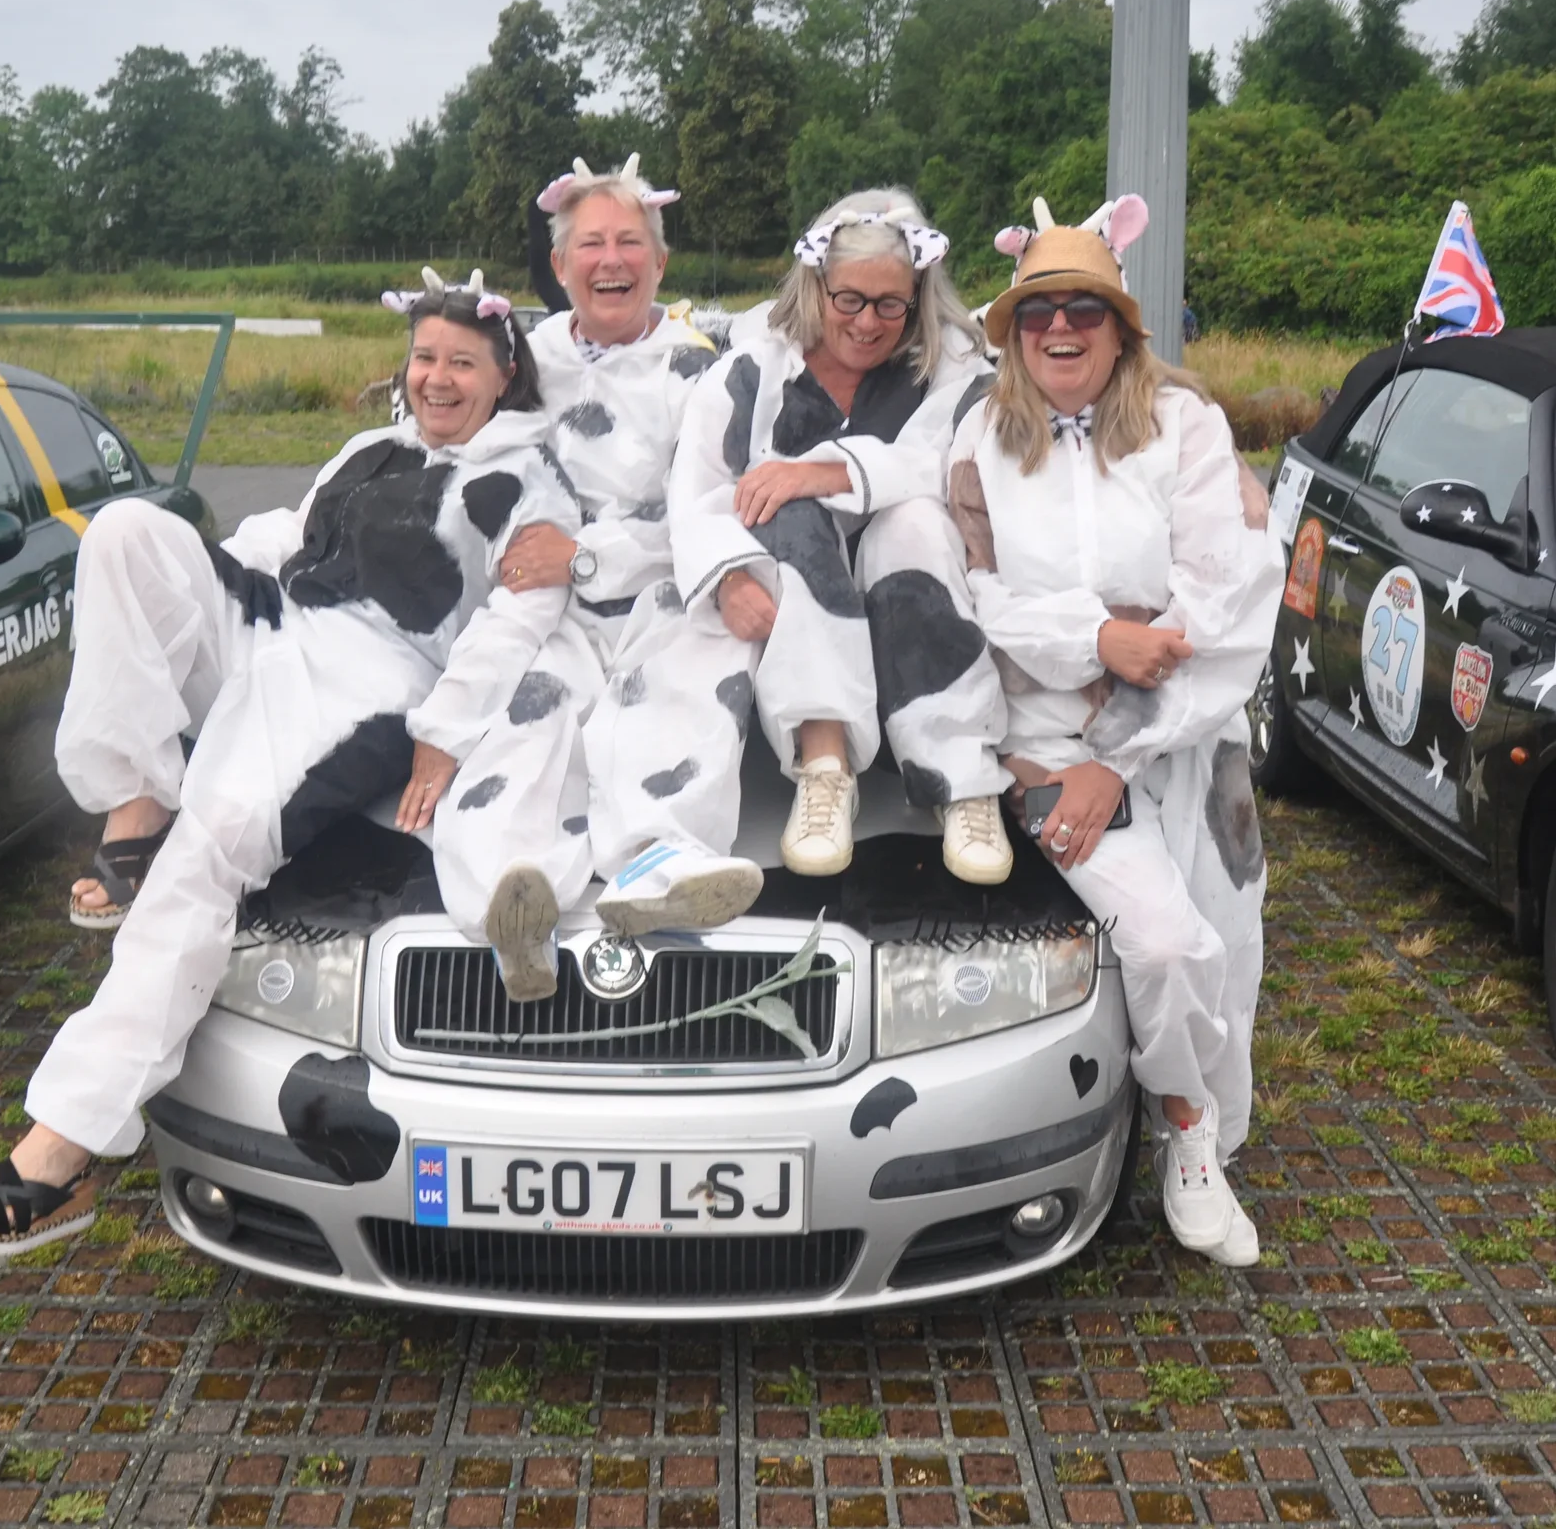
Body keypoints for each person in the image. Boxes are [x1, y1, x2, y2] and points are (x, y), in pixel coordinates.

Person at [0, 268, 577, 1255]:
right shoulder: (371, 446)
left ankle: (58, 1153)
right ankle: (133, 806)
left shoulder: (525, 479)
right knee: (126, 533)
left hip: (370, 673)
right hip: (277, 620)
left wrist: (442, 737)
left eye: (461, 362)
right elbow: (288, 534)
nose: (437, 378)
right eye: (424, 357)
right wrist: (203, 573)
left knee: (219, 840)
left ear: (503, 375)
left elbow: (516, 618)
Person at [948, 195, 1281, 1267]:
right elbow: (977, 600)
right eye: (1037, 308)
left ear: (1121, 327)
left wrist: (1116, 753)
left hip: (1184, 738)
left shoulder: (1185, 429)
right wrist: (1096, 636)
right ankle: (1184, 1127)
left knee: (1223, 949)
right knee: (1167, 942)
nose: (1059, 328)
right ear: (1008, 328)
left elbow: (1222, 600)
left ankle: (1204, 1132)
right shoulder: (981, 440)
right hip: (1043, 748)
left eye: (1083, 310)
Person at [585, 188, 1012, 934]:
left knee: (909, 520)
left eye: (891, 305)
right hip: (782, 596)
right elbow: (698, 493)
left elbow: (948, 461)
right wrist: (725, 579)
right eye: (850, 299)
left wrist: (824, 470)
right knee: (693, 641)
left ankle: (963, 780)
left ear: (918, 299)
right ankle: (736, 809)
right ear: (816, 287)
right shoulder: (750, 373)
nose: (867, 323)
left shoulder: (952, 372)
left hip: (906, 603)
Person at [424, 155, 747, 997]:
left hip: (663, 591)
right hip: (549, 606)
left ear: (661, 264)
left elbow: (704, 504)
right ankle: (509, 903)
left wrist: (591, 555)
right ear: (560, 266)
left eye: (631, 243)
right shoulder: (521, 362)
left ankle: (659, 861)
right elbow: (447, 445)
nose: (612, 260)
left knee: (676, 703)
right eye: (591, 244)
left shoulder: (700, 371)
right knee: (526, 733)